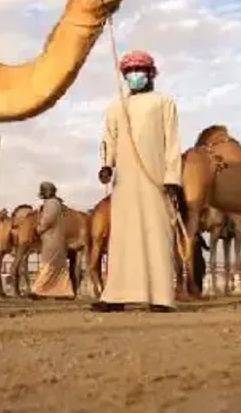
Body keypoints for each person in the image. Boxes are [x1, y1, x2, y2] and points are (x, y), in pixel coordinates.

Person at [92, 50, 183, 313]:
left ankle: (161, 297)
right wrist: (107, 165)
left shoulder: (164, 102)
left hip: (155, 178)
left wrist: (172, 176)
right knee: (121, 236)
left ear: (150, 74)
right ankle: (116, 295)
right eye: (130, 72)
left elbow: (172, 139)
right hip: (125, 182)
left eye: (139, 70)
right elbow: (109, 138)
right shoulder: (116, 106)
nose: (134, 75)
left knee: (156, 233)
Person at [30, 181, 75, 299]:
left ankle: (38, 290)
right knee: (60, 267)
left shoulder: (51, 204)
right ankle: (64, 292)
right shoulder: (56, 203)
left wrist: (38, 229)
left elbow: (47, 221)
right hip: (57, 238)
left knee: (48, 264)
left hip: (51, 239)